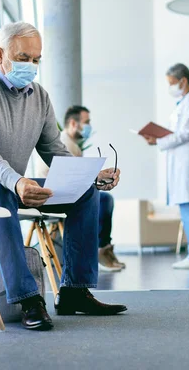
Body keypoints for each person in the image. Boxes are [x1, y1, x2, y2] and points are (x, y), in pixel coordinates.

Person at [0, 22, 127, 332]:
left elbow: (54, 151)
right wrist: (17, 182)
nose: (31, 66)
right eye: (24, 57)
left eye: (37, 59)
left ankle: (74, 292)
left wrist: (89, 176)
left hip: (9, 182)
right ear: (1, 54)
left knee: (87, 195)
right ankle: (27, 299)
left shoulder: (39, 97)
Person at [142, 63, 189, 270]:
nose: (170, 87)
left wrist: (158, 141)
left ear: (183, 80)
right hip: (182, 158)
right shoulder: (184, 102)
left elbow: (185, 133)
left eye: (172, 83)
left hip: (187, 160)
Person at [61, 105, 126, 272]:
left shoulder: (72, 145)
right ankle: (100, 250)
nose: (90, 126)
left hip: (70, 192)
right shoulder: (63, 144)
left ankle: (103, 248)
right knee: (103, 199)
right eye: (87, 122)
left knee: (103, 197)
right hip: (60, 194)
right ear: (74, 123)